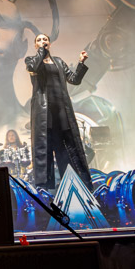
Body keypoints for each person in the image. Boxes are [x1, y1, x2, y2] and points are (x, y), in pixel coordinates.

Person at [25, 33, 93, 190]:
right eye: (39, 40)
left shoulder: (59, 62)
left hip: (61, 110)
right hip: (44, 114)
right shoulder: (31, 61)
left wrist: (81, 63)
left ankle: (74, 185)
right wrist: (41, 51)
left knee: (67, 150)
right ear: (35, 45)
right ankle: (45, 189)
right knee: (45, 151)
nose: (42, 41)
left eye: (45, 39)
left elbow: (74, 79)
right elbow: (33, 67)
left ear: (49, 43)